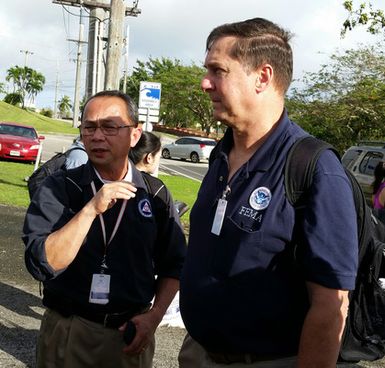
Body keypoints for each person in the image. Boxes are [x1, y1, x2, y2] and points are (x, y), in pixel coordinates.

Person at [179, 18, 358, 368]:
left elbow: (331, 304)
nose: (205, 83)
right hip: (198, 354)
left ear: (263, 76)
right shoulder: (220, 155)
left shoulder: (314, 167)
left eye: (218, 71)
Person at [22, 90, 186, 368]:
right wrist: (90, 210)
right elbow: (43, 263)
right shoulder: (61, 187)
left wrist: (154, 316)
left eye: (109, 127)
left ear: (135, 135)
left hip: (129, 337)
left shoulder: (154, 194)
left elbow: (175, 265)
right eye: (89, 127)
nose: (97, 136)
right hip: (69, 329)